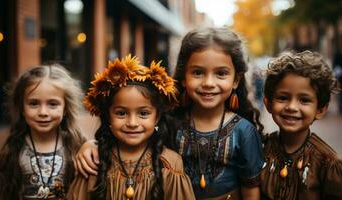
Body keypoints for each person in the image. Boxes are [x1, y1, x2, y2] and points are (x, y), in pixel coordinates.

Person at [74, 27, 264, 199]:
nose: (208, 82)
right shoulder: (169, 121)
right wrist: (92, 146)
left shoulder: (244, 132)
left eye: (221, 73)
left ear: (236, 80)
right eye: (198, 73)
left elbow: (251, 190)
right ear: (183, 78)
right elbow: (130, 141)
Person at [66, 55, 195, 199]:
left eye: (143, 113)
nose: (132, 123)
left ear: (157, 117)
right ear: (108, 116)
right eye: (121, 113)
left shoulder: (170, 164)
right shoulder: (94, 161)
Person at [0, 64, 86, 199]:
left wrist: (90, 145)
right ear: (21, 108)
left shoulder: (76, 145)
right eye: (33, 103)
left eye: (53, 104)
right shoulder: (12, 149)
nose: (43, 112)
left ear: (66, 108)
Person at [260, 51, 342, 199]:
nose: (292, 107)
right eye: (283, 98)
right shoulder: (259, 149)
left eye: (304, 100)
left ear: (320, 110)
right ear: (268, 103)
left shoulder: (328, 163)